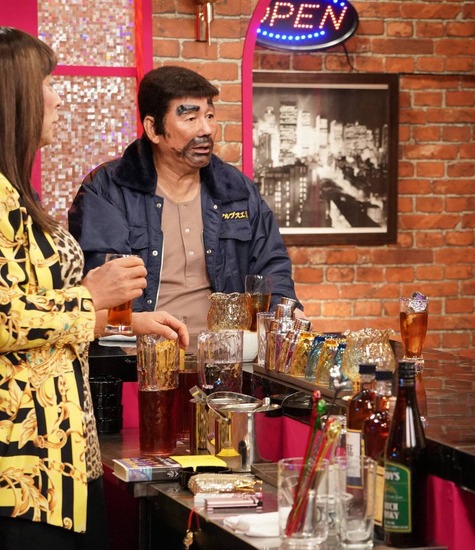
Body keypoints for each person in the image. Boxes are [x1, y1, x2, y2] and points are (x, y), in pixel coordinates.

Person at [0, 27, 188, 549]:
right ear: (14, 96)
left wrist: (125, 319)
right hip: (19, 468)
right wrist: (91, 296)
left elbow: (35, 308)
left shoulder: (16, 189)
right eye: (47, 84)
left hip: (61, 456)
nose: (58, 97)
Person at [68, 66, 303, 345]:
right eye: (191, 118)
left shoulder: (236, 190)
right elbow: (102, 286)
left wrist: (285, 312)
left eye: (210, 116)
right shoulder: (108, 189)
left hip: (227, 353)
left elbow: (271, 265)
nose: (206, 129)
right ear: (153, 129)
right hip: (138, 355)